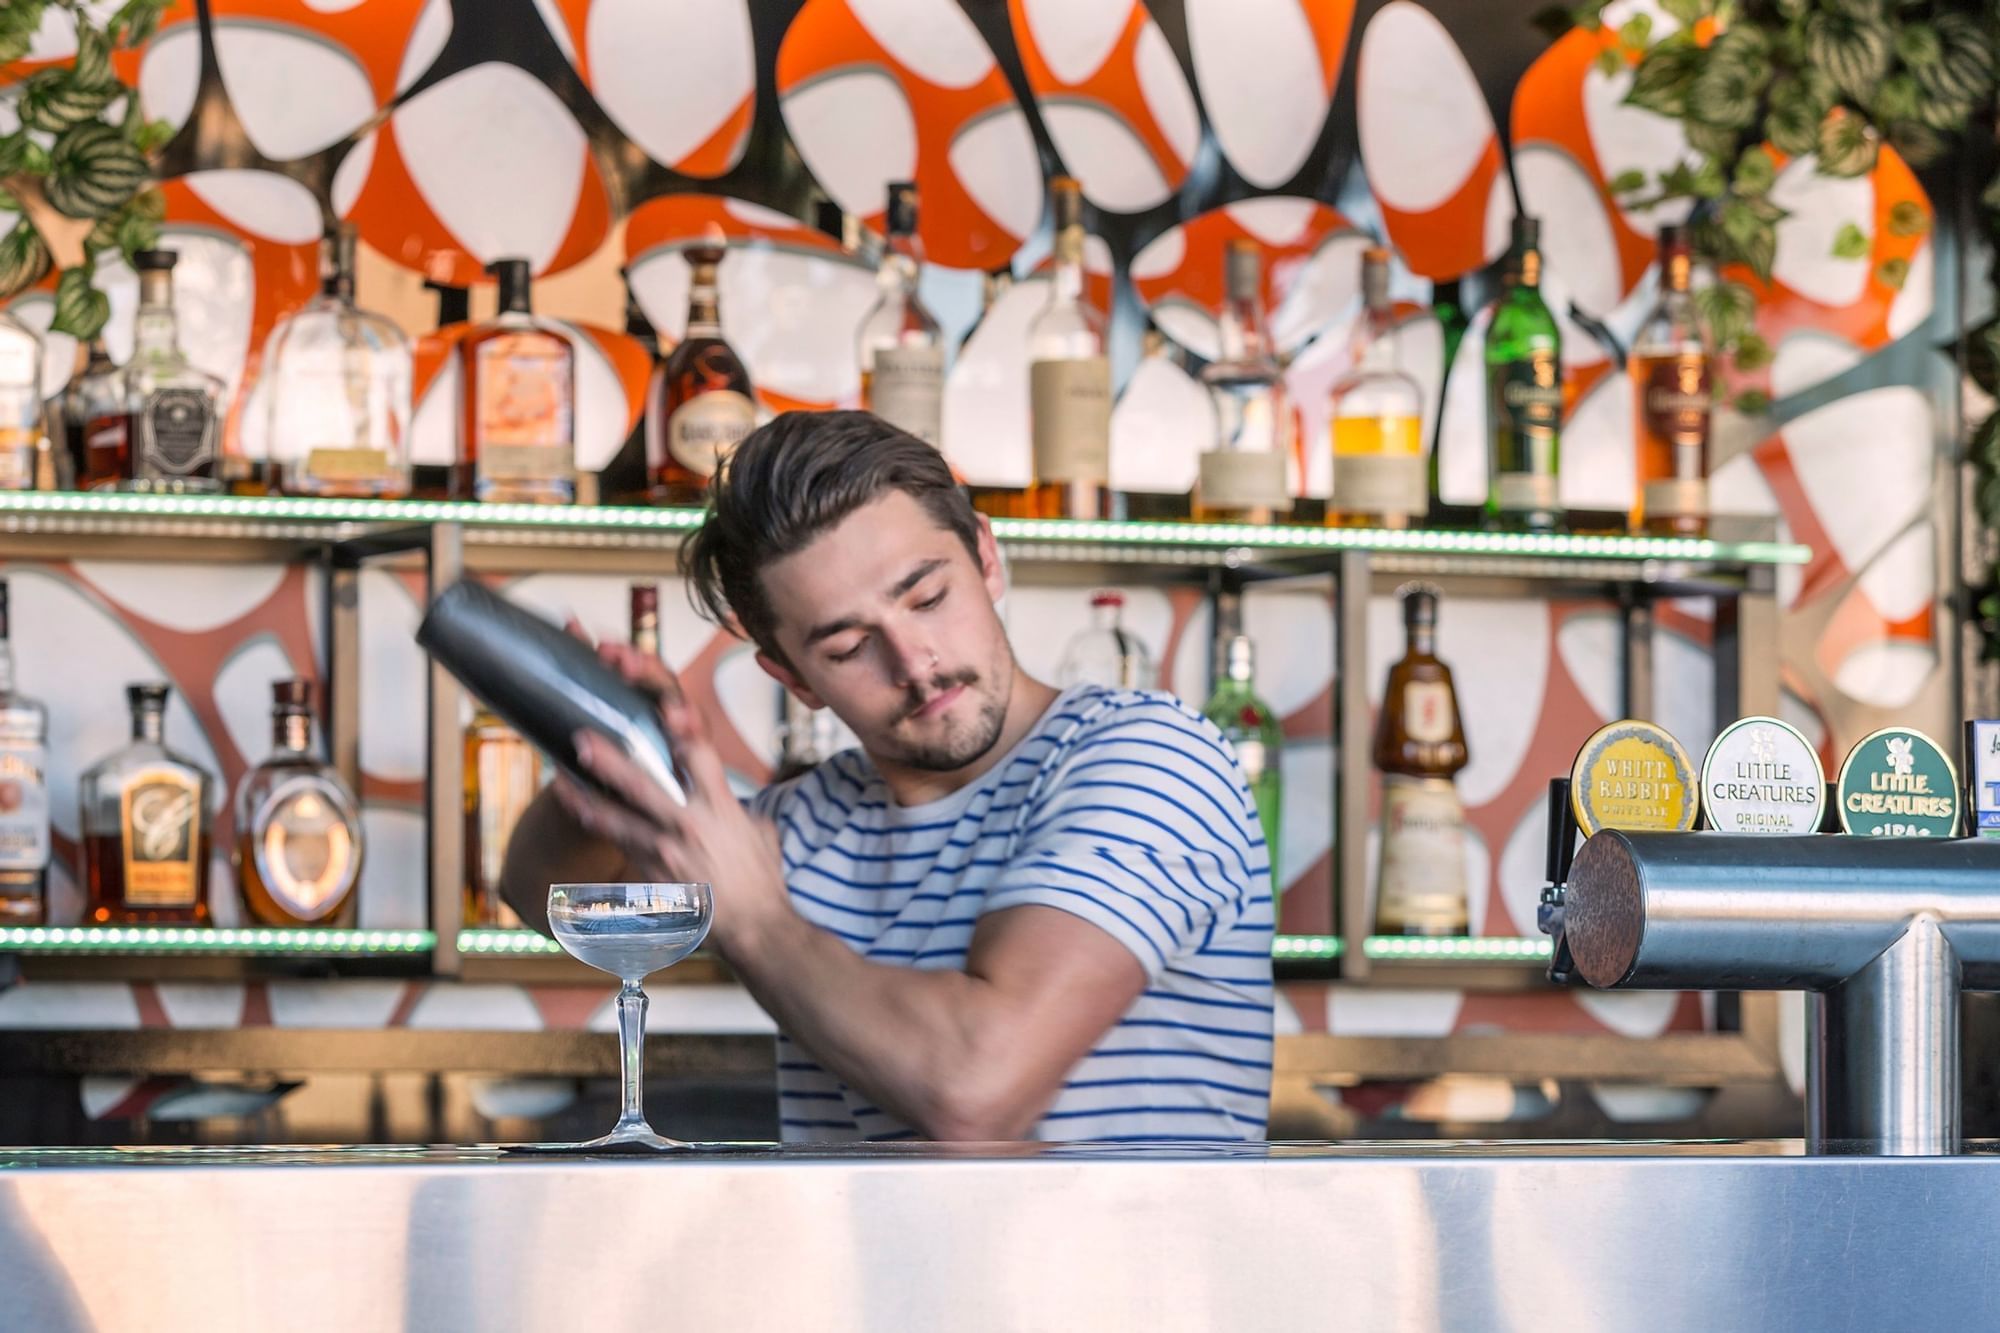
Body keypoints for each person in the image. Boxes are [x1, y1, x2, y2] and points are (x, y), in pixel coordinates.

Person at [503, 410, 1273, 1142]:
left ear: (986, 555)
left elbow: (978, 1088)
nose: (915, 662)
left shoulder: (1152, 758)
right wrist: (613, 747)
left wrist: (758, 922)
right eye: (846, 647)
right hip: (882, 1285)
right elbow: (543, 894)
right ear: (795, 677)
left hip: (1123, 1283)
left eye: (929, 597)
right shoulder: (808, 824)